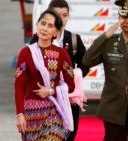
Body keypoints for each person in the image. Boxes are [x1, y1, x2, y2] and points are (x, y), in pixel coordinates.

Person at [82, 0, 128, 140]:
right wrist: (105, 36)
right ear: (119, 19)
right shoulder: (109, 42)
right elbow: (86, 60)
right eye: (124, 17)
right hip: (114, 111)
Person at [30, 1, 89, 140]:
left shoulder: (74, 39)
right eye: (57, 14)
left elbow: (85, 65)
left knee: (69, 135)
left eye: (65, 15)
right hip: (44, 97)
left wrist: (73, 74)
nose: (61, 19)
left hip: (69, 97)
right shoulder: (37, 38)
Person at [15, 8, 75, 141]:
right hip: (31, 114)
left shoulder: (62, 54)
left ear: (56, 32)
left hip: (54, 111)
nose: (45, 28)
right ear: (37, 25)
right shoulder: (25, 53)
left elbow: (71, 85)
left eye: (50, 26)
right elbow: (19, 86)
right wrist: (20, 115)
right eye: (43, 23)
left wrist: (51, 91)